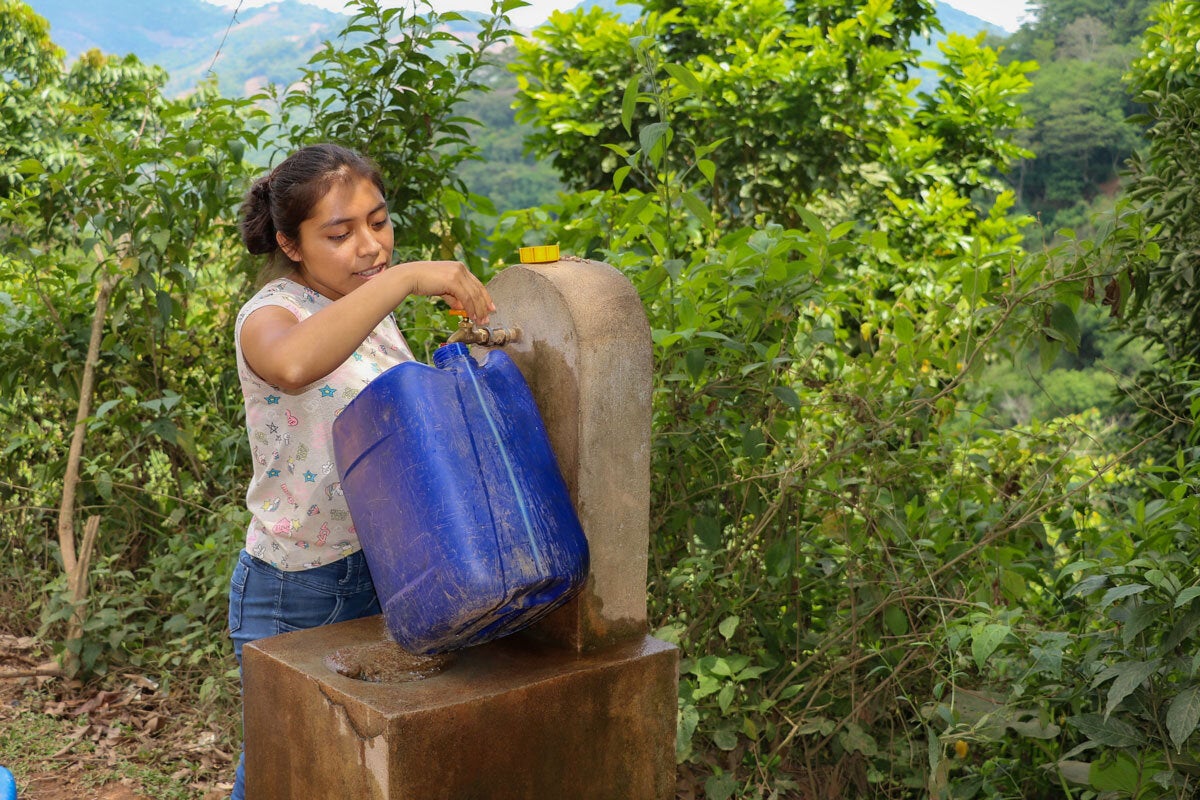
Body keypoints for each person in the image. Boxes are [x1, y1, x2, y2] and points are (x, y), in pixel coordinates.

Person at [227, 142, 493, 799]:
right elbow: (291, 364)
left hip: (382, 568)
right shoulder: (271, 314)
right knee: (283, 769)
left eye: (378, 222)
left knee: (343, 769)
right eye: (340, 233)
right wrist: (406, 278)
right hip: (301, 585)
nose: (371, 246)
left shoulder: (367, 309)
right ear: (290, 243)